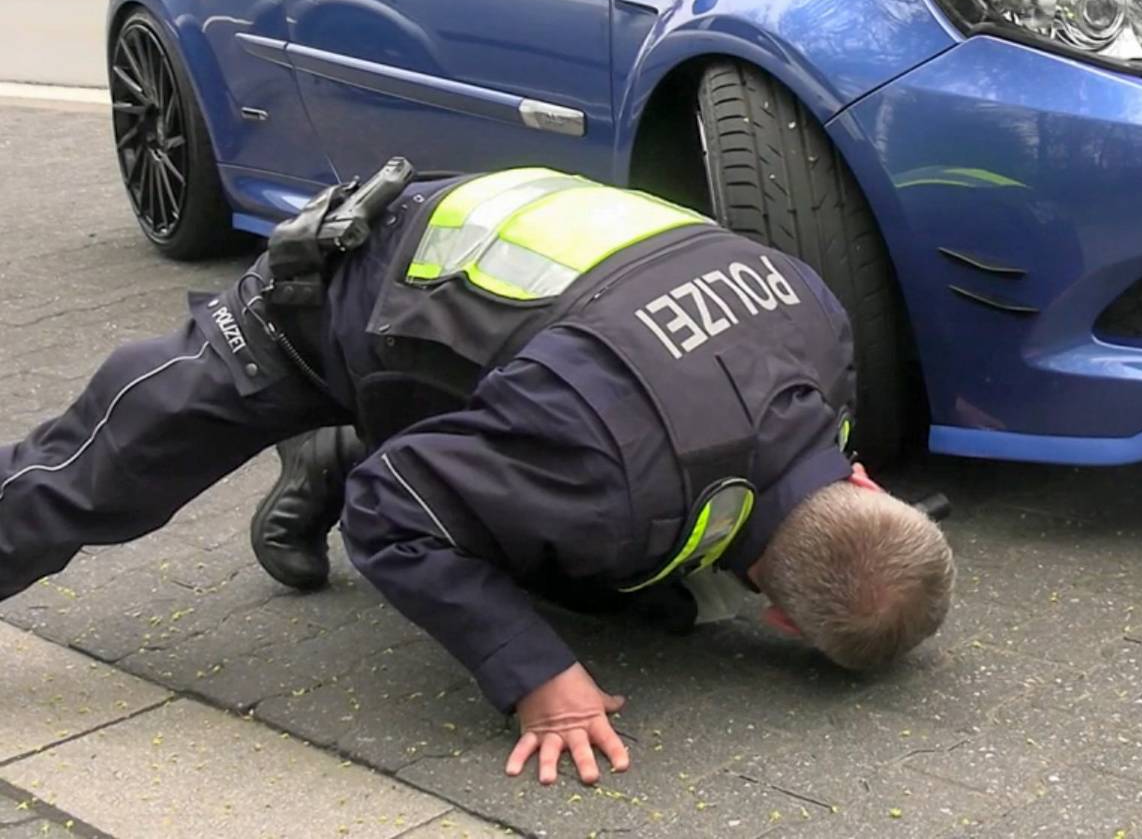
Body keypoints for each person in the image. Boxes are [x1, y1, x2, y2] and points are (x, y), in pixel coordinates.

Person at [0, 161, 955, 786]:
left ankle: (378, 435)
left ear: (869, 489)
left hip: (488, 312)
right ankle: (361, 433)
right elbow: (388, 514)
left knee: (633, 566)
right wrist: (537, 674)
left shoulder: (821, 328)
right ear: (779, 614)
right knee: (94, 479)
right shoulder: (612, 476)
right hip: (328, 294)